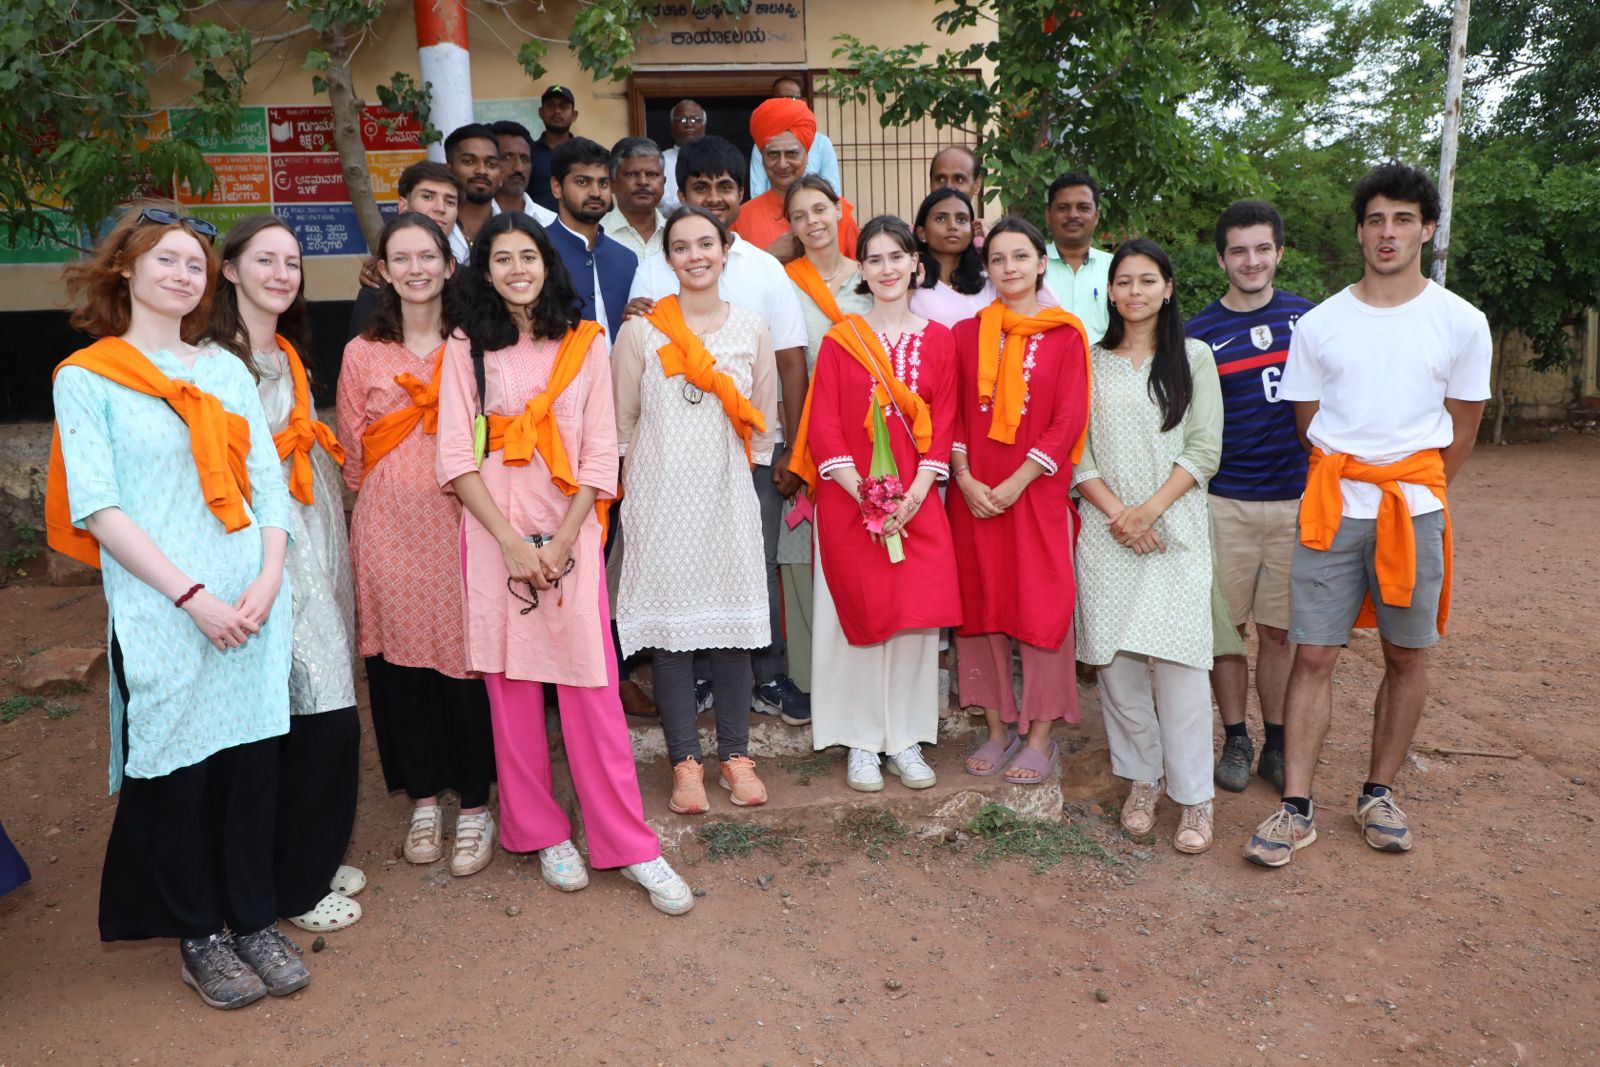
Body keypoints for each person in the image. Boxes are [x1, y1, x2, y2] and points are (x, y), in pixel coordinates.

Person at [48, 201, 302, 1008]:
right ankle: (201, 935)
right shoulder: (88, 377)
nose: (183, 274)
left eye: (194, 263)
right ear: (125, 267)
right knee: (183, 770)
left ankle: (254, 917)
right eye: (166, 260)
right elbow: (100, 507)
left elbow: (268, 483)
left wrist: (266, 581)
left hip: (253, 602)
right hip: (166, 609)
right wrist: (191, 596)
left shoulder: (223, 369)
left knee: (254, 766)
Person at [435, 211, 694, 914]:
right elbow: (457, 460)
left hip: (572, 541)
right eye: (502, 259)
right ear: (483, 271)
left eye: (529, 256)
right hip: (493, 542)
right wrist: (514, 545)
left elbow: (600, 454)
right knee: (511, 695)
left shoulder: (584, 341)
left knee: (593, 695)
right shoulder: (466, 347)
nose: (518, 269)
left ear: (548, 266)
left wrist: (559, 540)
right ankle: (542, 831)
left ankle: (630, 843)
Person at [1243, 163, 1491, 867]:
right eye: (1376, 219)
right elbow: (1307, 423)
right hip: (1334, 503)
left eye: (1403, 219)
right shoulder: (1321, 323)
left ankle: (1379, 791)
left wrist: (1416, 490)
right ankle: (1295, 806)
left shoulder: (1460, 321)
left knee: (1406, 652)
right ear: (1359, 231)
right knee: (1314, 650)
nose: (1388, 233)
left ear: (1428, 230)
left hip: (1415, 507)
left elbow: (1463, 426)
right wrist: (1356, 476)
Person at [209, 215, 363, 934]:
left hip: (313, 528)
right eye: (263, 260)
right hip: (263, 547)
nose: (281, 273)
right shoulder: (214, 359)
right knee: (308, 704)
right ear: (230, 269)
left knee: (319, 704)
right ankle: (293, 883)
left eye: (292, 262)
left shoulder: (284, 350)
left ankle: (309, 853)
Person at [628, 135, 814, 727]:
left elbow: (789, 363)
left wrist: (791, 449)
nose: (712, 199)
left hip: (747, 454)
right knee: (680, 563)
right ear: (680, 194)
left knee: (753, 560)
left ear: (743, 195)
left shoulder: (764, 269)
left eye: (725, 188)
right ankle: (698, 677)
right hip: (671, 457)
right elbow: (636, 364)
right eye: (700, 187)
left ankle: (769, 677)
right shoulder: (652, 269)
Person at [335, 214, 498, 880]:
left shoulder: (476, 345)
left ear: (449, 263)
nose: (415, 268)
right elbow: (351, 451)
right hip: (389, 532)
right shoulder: (362, 352)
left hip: (467, 528)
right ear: (384, 270)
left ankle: (478, 803)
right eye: (400, 258)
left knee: (467, 665)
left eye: (427, 255)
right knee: (400, 672)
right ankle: (425, 797)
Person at [612, 206, 779, 814]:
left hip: (726, 495)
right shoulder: (640, 332)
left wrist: (736, 478)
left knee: (732, 633)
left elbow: (763, 422)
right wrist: (642, 487)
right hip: (658, 499)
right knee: (672, 639)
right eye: (681, 247)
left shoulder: (751, 328)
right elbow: (622, 421)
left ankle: (736, 756)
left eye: (705, 244)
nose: (695, 256)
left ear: (724, 250)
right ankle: (685, 763)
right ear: (667, 259)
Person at [789, 214, 961, 790]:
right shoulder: (842, 339)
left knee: (913, 622)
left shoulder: (940, 341)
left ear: (917, 262)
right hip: (850, 503)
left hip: (917, 503)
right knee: (856, 618)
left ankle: (906, 737)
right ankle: (861, 741)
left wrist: (912, 494)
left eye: (897, 256)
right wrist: (864, 492)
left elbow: (945, 426)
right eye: (874, 259)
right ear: (860, 270)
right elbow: (826, 428)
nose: (887, 268)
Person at [1073, 238, 1224, 853]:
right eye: (1124, 282)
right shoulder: (1089, 359)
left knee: (1183, 670)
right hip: (1106, 534)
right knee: (1117, 668)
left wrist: (1148, 513)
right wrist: (1120, 517)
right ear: (1109, 292)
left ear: (1168, 288)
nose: (1134, 292)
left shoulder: (1194, 357)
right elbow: (1076, 453)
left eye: (1147, 281)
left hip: (1176, 532)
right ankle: (1142, 780)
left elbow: (1204, 449)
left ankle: (1195, 799)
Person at [947, 218, 1091, 785]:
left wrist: (1019, 481)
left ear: (1040, 264)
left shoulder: (1066, 334)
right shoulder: (966, 332)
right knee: (981, 609)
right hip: (975, 496)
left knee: (1040, 609)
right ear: (989, 268)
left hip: (1035, 493)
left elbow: (1067, 421)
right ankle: (997, 729)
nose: (1009, 268)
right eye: (999, 259)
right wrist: (962, 476)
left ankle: (1039, 736)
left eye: (1020, 257)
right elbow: (952, 414)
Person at [1185, 200, 1316, 793]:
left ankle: (1278, 742)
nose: (1251, 260)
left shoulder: (1310, 321)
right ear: (1221, 259)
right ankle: (1235, 738)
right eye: (1238, 250)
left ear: (1279, 253)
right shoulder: (1198, 333)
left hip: (1297, 499)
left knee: (1282, 632)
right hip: (1225, 502)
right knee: (1226, 629)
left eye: (1262, 248)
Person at [774, 175, 873, 693]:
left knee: (864, 549)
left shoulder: (871, 274)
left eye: (820, 209)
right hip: (804, 431)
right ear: (789, 226)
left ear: (840, 211)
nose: (812, 222)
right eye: (799, 215)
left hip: (868, 434)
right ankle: (812, 684)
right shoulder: (780, 280)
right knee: (798, 552)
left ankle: (863, 678)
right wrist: (792, 445)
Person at [347, 161, 466, 342]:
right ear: (403, 205)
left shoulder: (474, 286)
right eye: (427, 197)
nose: (440, 208)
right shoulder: (376, 285)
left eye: (450, 201)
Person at [732, 97, 860, 258]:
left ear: (807, 155)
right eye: (773, 154)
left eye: (792, 153)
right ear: (762, 157)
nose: (783, 164)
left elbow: (862, 273)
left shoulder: (834, 211)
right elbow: (731, 279)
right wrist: (771, 257)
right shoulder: (742, 218)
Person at [544, 136, 636, 342]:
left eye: (603, 183)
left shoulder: (627, 259)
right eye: (582, 182)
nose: (596, 192)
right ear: (557, 187)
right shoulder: (536, 252)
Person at [909, 187, 995, 330]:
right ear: (921, 233)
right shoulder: (911, 285)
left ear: (973, 231)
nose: (953, 226)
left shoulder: (988, 281)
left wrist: (994, 243)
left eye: (962, 219)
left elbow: (1041, 299)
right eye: (941, 218)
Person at [1043, 172, 1113, 343]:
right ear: (1048, 216)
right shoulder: (1028, 266)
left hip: (1102, 367)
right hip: (1042, 368)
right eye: (1063, 208)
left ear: (1096, 217)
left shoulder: (1116, 268)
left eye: (1083, 208)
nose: (1073, 215)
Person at [748, 76, 842, 199]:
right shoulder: (763, 142)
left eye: (791, 98)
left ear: (804, 101)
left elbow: (832, 189)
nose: (785, 102)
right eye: (780, 98)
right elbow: (757, 190)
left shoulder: (822, 142)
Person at [601, 136, 667, 260]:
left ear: (663, 183)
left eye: (652, 174)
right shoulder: (597, 235)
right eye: (631, 174)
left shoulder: (677, 234)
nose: (643, 182)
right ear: (612, 183)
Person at [444, 123, 503, 249]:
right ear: (448, 170)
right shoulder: (430, 226)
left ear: (501, 175)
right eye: (468, 161)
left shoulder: (512, 228)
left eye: (491, 164)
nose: (482, 171)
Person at [490, 119, 559, 226]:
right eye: (507, 157)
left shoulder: (550, 222)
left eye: (525, 159)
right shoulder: (475, 218)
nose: (519, 168)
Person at [528, 85, 578, 214]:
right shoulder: (528, 153)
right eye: (550, 106)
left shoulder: (585, 154)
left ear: (574, 115)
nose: (557, 111)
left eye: (563, 106)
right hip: (537, 228)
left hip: (578, 227)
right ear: (540, 112)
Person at [929, 146, 985, 241]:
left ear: (977, 185)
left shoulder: (987, 245)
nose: (948, 187)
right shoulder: (906, 243)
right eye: (940, 179)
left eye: (959, 179)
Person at [660, 98, 706, 213]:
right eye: (682, 120)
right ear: (672, 126)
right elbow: (662, 204)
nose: (689, 124)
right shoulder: (660, 160)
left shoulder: (717, 158)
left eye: (695, 119)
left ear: (704, 125)